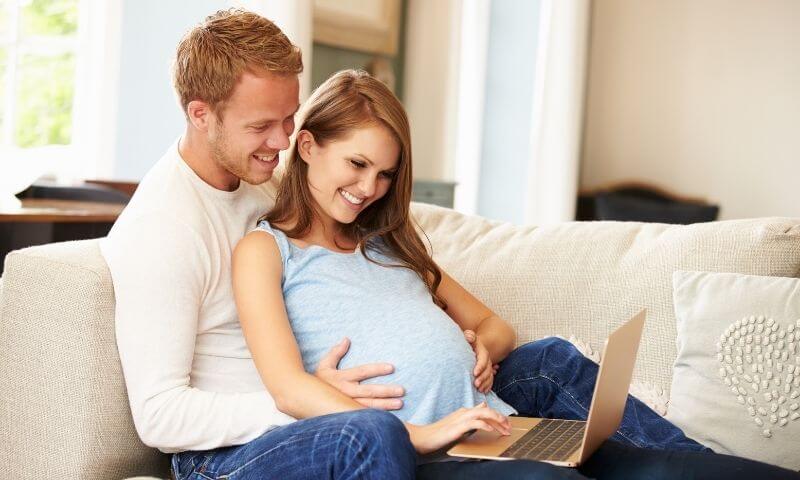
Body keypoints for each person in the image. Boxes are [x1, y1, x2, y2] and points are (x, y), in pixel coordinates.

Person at [232, 69, 800, 480]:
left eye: (385, 174)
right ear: (306, 146)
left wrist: (478, 347)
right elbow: (288, 387)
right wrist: (420, 434)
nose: (369, 188)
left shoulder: (384, 242)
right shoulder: (268, 250)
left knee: (667, 470)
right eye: (357, 164)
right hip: (420, 451)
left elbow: (496, 327)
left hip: (489, 427)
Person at [101, 9, 422, 480]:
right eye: (261, 126)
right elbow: (160, 417)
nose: (282, 141)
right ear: (201, 114)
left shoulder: (264, 186)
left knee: (545, 365)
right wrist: (304, 401)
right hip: (229, 453)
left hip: (309, 412)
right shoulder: (162, 229)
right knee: (369, 433)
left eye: (289, 119)